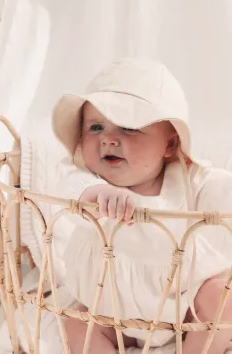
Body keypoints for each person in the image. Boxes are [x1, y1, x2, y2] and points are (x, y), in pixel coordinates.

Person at [51, 58, 232, 354]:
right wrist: (97, 193)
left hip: (184, 305)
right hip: (108, 306)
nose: (108, 138)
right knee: (76, 324)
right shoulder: (89, 179)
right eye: (95, 127)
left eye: (128, 127)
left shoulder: (189, 180)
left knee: (222, 298)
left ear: (170, 146)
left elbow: (222, 189)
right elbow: (68, 188)